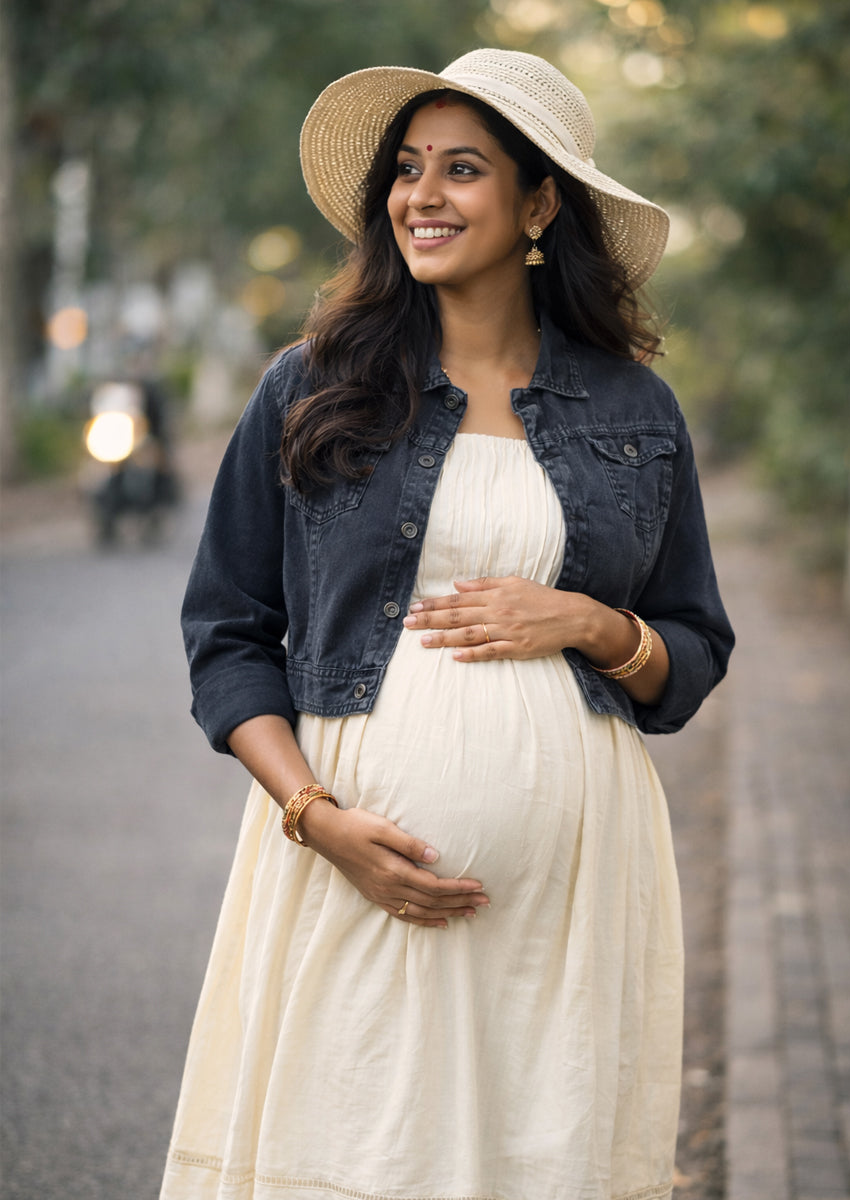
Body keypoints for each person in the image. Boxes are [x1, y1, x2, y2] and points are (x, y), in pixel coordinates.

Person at [161, 48, 734, 1200]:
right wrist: (315, 818)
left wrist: (590, 622)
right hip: (346, 865)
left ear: (537, 204)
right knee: (350, 1149)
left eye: (462, 169)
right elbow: (227, 631)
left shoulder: (633, 407)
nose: (421, 195)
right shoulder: (310, 387)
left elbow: (696, 648)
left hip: (571, 892)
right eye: (408, 170)